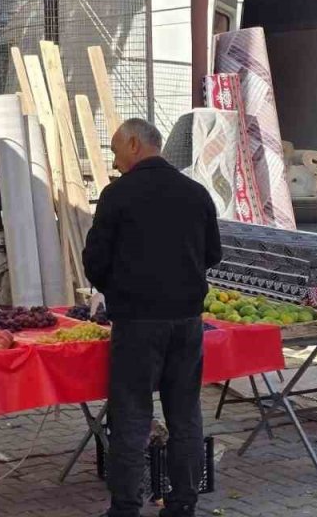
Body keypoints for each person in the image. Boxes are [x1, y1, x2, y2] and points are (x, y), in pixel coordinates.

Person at [83, 119, 222, 517]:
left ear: (133, 144)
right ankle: (182, 504)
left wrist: (121, 287)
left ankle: (125, 508)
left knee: (131, 416)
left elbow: (95, 261)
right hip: (186, 320)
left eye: (114, 151)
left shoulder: (118, 195)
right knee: (185, 414)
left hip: (138, 321)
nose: (114, 160)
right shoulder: (196, 193)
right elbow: (212, 254)